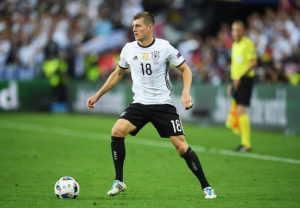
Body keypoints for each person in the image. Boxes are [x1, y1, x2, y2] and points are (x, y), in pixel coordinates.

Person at [87, 12, 216, 199]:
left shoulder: (164, 47)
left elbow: (186, 69)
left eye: (138, 26)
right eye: (133, 26)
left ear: (150, 28)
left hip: (163, 105)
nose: (134, 29)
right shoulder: (128, 49)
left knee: (181, 147)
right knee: (117, 131)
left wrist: (186, 92)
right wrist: (97, 95)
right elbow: (117, 74)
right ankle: (119, 181)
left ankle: (206, 187)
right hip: (139, 104)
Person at [226, 20, 257, 152]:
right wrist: (231, 82)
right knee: (238, 111)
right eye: (233, 30)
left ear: (243, 31)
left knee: (241, 111)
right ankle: (244, 143)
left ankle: (246, 144)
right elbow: (235, 66)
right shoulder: (234, 45)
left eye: (238, 30)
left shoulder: (247, 43)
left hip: (245, 80)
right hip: (236, 81)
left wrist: (240, 77)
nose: (236, 32)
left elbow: (253, 62)